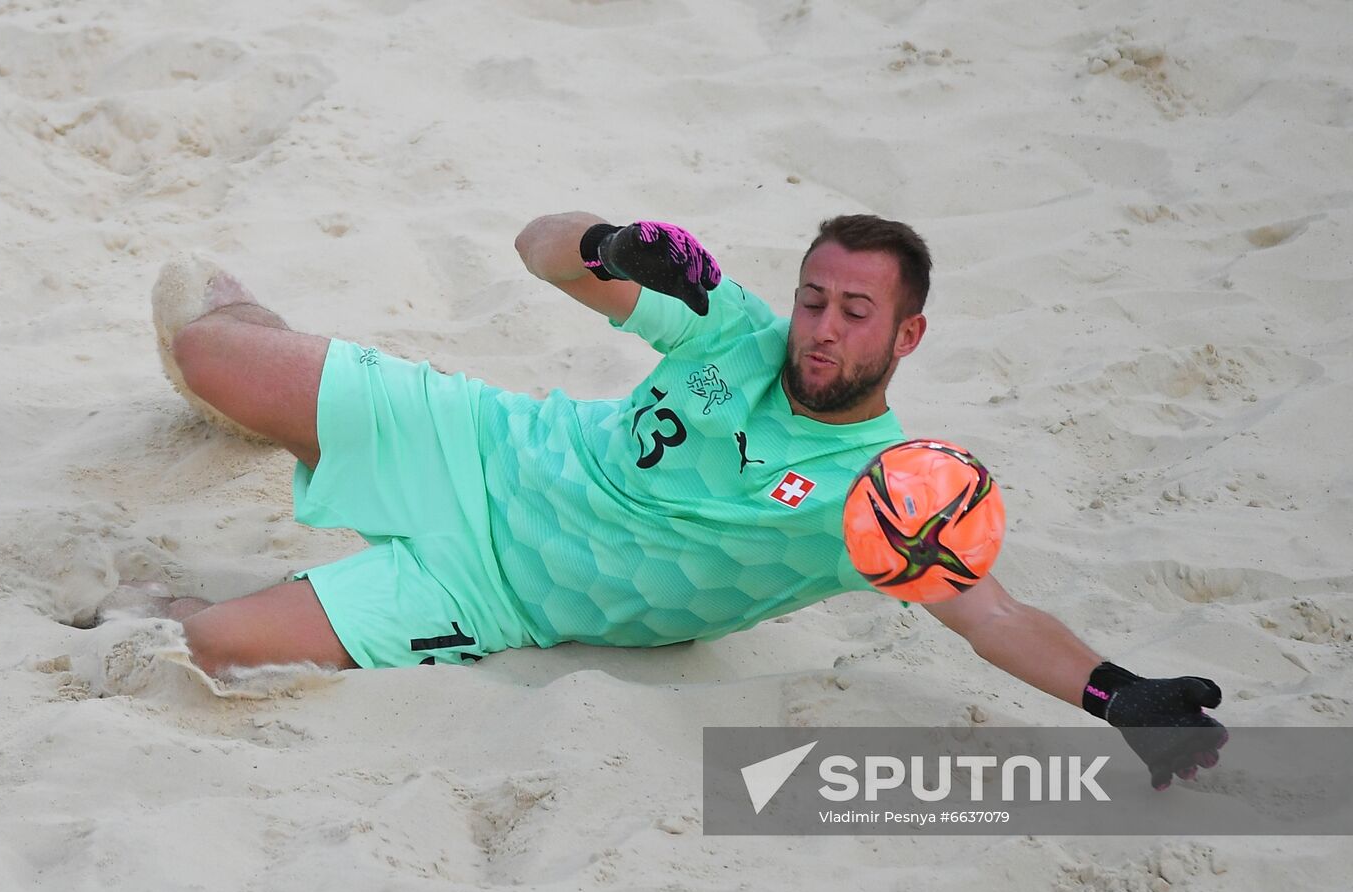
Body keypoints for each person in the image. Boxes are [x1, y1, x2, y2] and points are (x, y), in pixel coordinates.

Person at [145, 212, 1226, 790]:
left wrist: (1115, 696)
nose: (819, 329)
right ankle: (262, 353)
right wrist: (606, 247)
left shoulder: (886, 495)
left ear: (905, 338)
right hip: (490, 446)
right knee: (205, 349)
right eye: (814, 300)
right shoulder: (727, 324)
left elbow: (991, 614)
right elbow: (536, 248)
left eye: (855, 312)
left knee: (215, 647)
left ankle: (287, 428)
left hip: (490, 593)